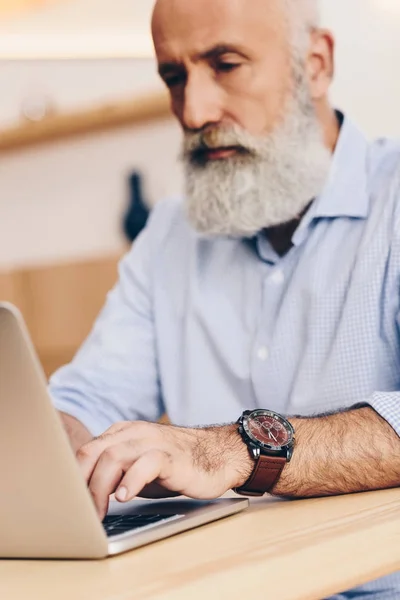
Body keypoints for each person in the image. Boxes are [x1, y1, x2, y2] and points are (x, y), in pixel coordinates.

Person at [50, 0, 400, 597]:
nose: (194, 110)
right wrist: (40, 450)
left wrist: (229, 451)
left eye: (226, 64)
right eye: (174, 77)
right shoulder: (168, 233)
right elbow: (90, 398)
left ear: (314, 65)